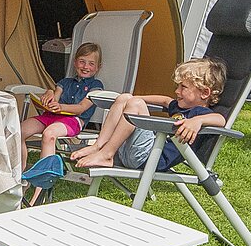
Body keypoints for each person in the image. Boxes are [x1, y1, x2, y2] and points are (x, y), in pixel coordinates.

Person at [70, 58, 227, 171]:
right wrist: (134, 98)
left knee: (136, 105)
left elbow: (220, 120)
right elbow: (165, 101)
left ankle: (107, 154)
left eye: (183, 87)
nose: (177, 91)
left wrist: (197, 121)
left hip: (152, 159)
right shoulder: (180, 106)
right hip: (135, 153)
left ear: (205, 93)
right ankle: (99, 146)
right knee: (125, 98)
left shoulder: (200, 113)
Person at [19, 43, 104, 164]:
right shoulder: (65, 82)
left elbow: (81, 108)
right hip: (51, 117)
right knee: (18, 131)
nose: (86, 66)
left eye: (91, 63)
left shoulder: (96, 86)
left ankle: (43, 180)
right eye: (82, 61)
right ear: (75, 62)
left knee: (49, 134)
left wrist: (60, 106)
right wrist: (49, 94)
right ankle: (18, 175)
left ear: (98, 67)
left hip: (73, 120)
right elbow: (55, 98)